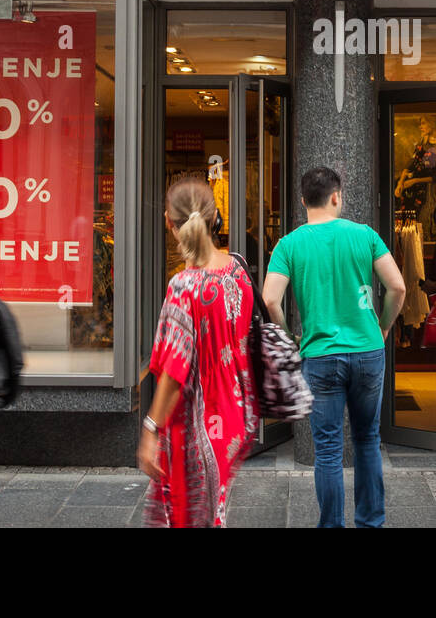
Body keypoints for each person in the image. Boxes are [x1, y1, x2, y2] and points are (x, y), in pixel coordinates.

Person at [263, 167, 407, 528]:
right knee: (367, 440)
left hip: (320, 356)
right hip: (367, 351)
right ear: (336, 197)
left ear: (302, 201)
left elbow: (269, 299)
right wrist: (384, 325)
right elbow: (398, 288)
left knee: (327, 451)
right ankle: (370, 522)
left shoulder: (288, 244)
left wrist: (287, 337)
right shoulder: (365, 235)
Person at [139, 179, 257, 527]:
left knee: (187, 515)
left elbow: (175, 373)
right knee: (212, 511)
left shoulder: (184, 287)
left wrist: (149, 428)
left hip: (194, 424)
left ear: (167, 221)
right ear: (214, 217)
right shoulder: (238, 269)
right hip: (234, 416)